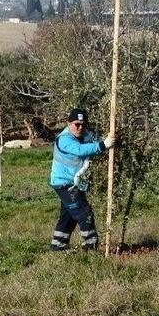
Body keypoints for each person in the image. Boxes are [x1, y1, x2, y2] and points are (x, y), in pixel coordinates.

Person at [49, 108, 115, 252]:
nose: (80, 127)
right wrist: (103, 145)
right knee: (84, 212)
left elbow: (95, 139)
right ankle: (90, 247)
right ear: (68, 123)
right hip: (64, 184)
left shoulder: (85, 134)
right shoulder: (64, 139)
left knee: (69, 216)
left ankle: (57, 247)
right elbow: (80, 150)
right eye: (76, 124)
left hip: (74, 183)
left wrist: (110, 137)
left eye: (83, 124)